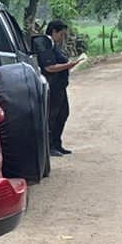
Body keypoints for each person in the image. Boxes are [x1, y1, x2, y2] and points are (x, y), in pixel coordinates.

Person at [37, 19, 85, 156]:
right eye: (61, 34)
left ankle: (57, 143)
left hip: (60, 86)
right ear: (54, 31)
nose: (63, 37)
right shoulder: (45, 46)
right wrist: (70, 65)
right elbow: (49, 67)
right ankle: (50, 146)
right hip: (52, 87)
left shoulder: (54, 45)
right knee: (52, 117)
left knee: (63, 114)